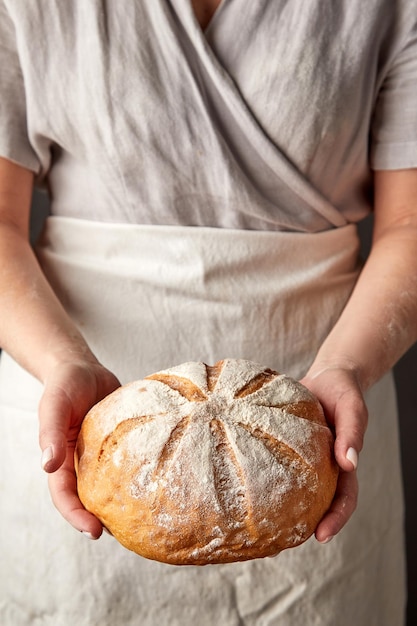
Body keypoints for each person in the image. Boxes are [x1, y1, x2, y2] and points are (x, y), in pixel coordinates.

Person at [0, 1, 416, 624]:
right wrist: (64, 362)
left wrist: (347, 368)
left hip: (326, 406)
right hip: (74, 404)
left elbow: (409, 224)